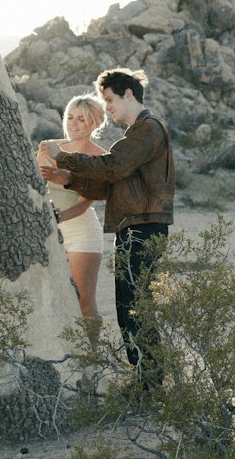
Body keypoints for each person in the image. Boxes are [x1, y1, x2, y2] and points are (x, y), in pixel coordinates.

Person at [39, 68, 175, 385]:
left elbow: (112, 167)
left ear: (129, 94)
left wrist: (66, 158)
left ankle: (149, 386)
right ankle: (146, 382)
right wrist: (70, 179)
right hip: (134, 227)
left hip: (143, 228)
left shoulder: (147, 131)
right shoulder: (138, 133)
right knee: (129, 307)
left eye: (110, 99)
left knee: (136, 308)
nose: (108, 107)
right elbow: (112, 186)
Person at [37, 95, 107, 319]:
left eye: (81, 119)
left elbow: (86, 201)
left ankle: (92, 354)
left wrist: (59, 217)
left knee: (83, 300)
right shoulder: (49, 147)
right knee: (50, 297)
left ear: (96, 123)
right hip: (44, 227)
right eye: (69, 117)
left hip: (80, 231)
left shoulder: (100, 156)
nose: (72, 124)